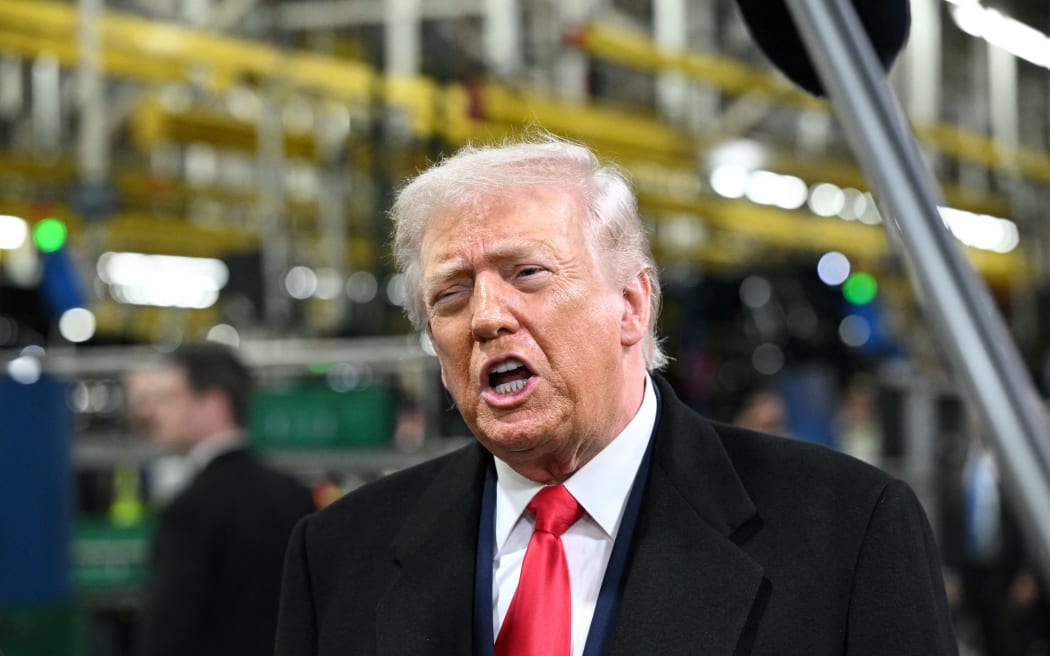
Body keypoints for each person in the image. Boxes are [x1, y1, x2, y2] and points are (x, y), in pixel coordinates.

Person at [275, 135, 957, 655]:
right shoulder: (336, 555)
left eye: (528, 273)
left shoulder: (848, 530)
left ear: (631, 305)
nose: (485, 317)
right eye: (450, 294)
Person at [136, 343, 315, 656]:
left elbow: (168, 633)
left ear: (213, 404)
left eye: (169, 398)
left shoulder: (191, 509)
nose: (155, 412)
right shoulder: (295, 495)